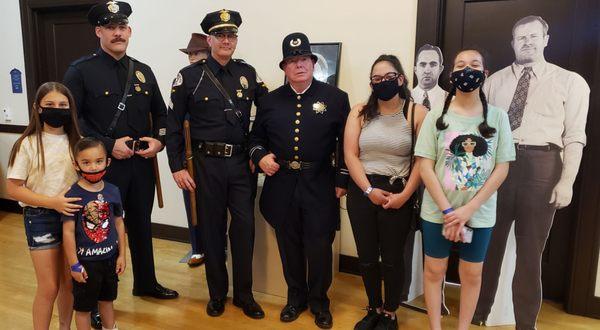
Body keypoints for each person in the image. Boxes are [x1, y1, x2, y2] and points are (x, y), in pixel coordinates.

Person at [473, 16, 590, 329]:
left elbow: (575, 137)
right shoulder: (492, 82)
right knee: (489, 245)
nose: (527, 42)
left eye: (533, 36)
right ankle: (478, 313)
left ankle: (526, 324)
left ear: (546, 39)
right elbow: (481, 131)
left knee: (529, 254)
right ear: (512, 43)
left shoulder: (571, 82)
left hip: (543, 166)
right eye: (520, 37)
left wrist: (567, 181)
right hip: (501, 166)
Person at [63, 0, 177, 310]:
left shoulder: (142, 71)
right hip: (102, 168)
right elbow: (74, 120)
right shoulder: (80, 70)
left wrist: (159, 141)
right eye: (110, 27)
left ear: (129, 31)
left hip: (140, 166)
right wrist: (107, 144)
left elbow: (162, 114)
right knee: (98, 232)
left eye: (122, 27)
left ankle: (146, 282)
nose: (117, 33)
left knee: (140, 222)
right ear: (98, 31)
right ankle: (97, 300)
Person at [166, 9, 269, 319]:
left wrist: (258, 153)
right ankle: (216, 294)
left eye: (232, 35)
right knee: (211, 230)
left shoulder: (248, 74)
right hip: (205, 164)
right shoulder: (189, 77)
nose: (227, 40)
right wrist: (176, 166)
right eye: (221, 35)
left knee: (244, 229)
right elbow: (173, 124)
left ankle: (244, 295)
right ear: (209, 39)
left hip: (240, 164)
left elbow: (268, 115)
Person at [249, 32, 350, 329]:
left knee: (319, 247)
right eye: (292, 61)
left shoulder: (335, 98)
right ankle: (295, 299)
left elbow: (345, 142)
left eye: (303, 59)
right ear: (284, 68)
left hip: (319, 182)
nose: (299, 65)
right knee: (289, 245)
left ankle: (320, 302)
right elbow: (255, 139)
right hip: (281, 184)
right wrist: (260, 156)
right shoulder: (269, 101)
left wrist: (342, 178)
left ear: (312, 62)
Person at [415, 49, 515, 330]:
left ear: (484, 74)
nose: (467, 70)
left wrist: (468, 210)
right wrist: (449, 212)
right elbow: (425, 166)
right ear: (452, 74)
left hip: (479, 213)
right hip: (438, 211)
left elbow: (502, 168)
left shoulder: (498, 118)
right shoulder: (437, 116)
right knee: (434, 271)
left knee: (471, 275)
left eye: (474, 65)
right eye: (460, 65)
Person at [344, 54, 427, 330]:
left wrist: (404, 196)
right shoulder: (359, 112)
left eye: (388, 77)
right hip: (363, 190)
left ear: (401, 79)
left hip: (398, 192)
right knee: (366, 257)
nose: (382, 83)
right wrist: (368, 190)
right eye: (376, 79)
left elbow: (422, 160)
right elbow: (350, 155)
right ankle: (373, 308)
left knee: (392, 259)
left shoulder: (416, 112)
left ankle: (390, 312)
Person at [6, 81, 81, 330]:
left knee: (69, 282)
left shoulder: (78, 142)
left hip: (72, 218)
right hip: (40, 218)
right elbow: (14, 188)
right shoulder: (26, 144)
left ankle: (64, 327)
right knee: (49, 286)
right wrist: (53, 203)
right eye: (50, 105)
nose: (56, 109)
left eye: (62, 105)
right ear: (38, 108)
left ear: (70, 108)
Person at [62, 137, 126, 330]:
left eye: (98, 161)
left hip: (110, 260)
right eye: (86, 162)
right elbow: (68, 231)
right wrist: (74, 264)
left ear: (107, 161)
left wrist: (122, 255)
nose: (93, 167)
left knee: (107, 301)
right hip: (85, 265)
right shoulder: (71, 196)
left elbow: (119, 223)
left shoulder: (113, 191)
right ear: (76, 164)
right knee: (84, 309)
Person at [178, 32, 210, 267]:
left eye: (197, 53)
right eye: (190, 53)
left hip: (213, 154)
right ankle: (197, 246)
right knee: (192, 202)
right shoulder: (185, 80)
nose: (192, 58)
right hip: (189, 152)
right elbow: (174, 122)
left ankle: (219, 246)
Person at [412, 44, 447, 111]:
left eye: (433, 65)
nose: (427, 71)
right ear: (415, 69)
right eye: (422, 65)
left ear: (440, 69)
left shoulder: (452, 101)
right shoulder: (405, 100)